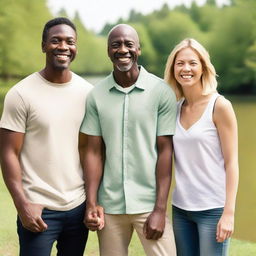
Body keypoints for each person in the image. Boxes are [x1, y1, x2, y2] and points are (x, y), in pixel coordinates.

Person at [79, 24, 177, 256]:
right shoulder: (96, 95)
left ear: (138, 50)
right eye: (116, 45)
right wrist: (91, 203)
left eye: (128, 44)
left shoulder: (161, 92)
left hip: (149, 203)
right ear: (108, 51)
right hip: (110, 206)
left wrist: (160, 209)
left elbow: (165, 151)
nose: (122, 49)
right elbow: (93, 152)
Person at [0, 17, 94, 256]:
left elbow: (92, 151)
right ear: (43, 45)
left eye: (69, 41)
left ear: (75, 48)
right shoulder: (20, 94)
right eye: (55, 40)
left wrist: (91, 202)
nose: (63, 46)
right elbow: (8, 153)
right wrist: (23, 206)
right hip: (38, 208)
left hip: (77, 207)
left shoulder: (88, 94)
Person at [164, 38, 239, 256]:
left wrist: (229, 213)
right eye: (180, 63)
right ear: (173, 69)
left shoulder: (220, 106)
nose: (186, 69)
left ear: (203, 68)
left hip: (213, 209)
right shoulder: (175, 108)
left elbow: (232, 162)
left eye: (192, 63)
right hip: (181, 209)